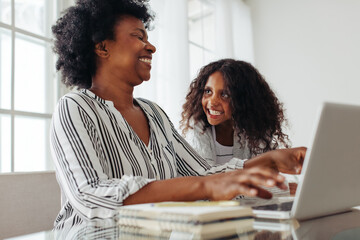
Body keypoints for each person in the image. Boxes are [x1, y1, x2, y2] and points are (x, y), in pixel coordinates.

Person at [50, 0, 305, 229]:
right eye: (139, 36)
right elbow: (91, 197)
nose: (151, 47)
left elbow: (203, 174)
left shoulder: (154, 113)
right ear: (103, 47)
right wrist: (206, 187)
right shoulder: (74, 107)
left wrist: (269, 161)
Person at [180, 59, 297, 195]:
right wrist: (284, 189)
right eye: (208, 91)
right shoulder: (197, 128)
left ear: (243, 100)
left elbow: (264, 179)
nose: (212, 102)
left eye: (224, 94)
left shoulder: (254, 128)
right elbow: (207, 183)